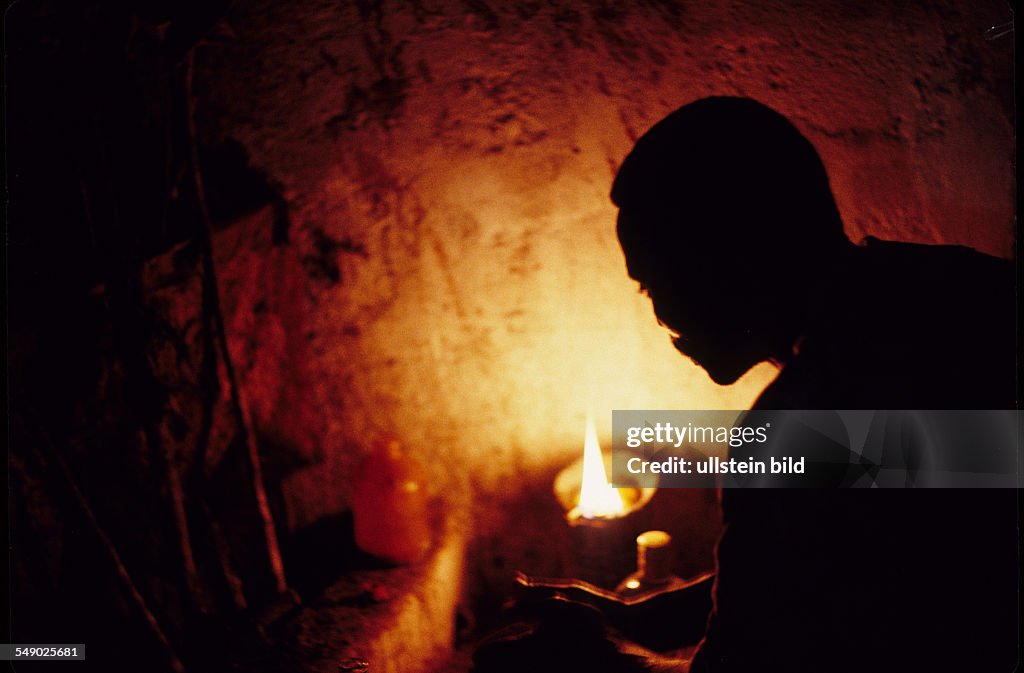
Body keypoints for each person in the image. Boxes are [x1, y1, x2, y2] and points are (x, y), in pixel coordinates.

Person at [611, 97, 1018, 672]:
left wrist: (607, 656)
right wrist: (644, 617)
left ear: (733, 260)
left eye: (657, 284)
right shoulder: (963, 290)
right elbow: (843, 570)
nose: (659, 317)